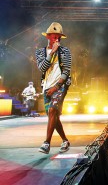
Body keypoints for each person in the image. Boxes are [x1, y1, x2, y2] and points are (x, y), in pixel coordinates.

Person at [35, 22, 72, 154]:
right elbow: (42, 68)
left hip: (60, 86)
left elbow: (66, 71)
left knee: (52, 112)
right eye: (54, 37)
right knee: (54, 117)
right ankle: (65, 140)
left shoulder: (66, 51)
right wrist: (52, 53)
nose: (56, 39)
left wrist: (56, 87)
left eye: (59, 37)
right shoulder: (40, 52)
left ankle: (46, 143)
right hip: (46, 87)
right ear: (48, 37)